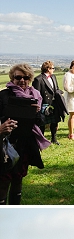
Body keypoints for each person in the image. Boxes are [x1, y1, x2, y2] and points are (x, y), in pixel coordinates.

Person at [0, 63, 50, 204]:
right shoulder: (3, 96)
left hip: (24, 144)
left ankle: (15, 209)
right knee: (3, 183)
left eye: (26, 77)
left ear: (30, 78)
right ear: (12, 78)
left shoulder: (35, 96)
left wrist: (35, 113)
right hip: (5, 145)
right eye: (18, 77)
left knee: (18, 180)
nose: (22, 80)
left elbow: (41, 120)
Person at [32, 61, 64, 144]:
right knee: (42, 123)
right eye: (52, 68)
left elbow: (56, 88)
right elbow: (36, 94)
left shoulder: (53, 77)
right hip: (44, 103)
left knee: (55, 121)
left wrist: (60, 92)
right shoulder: (38, 79)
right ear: (48, 69)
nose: (53, 70)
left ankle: (54, 139)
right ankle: (42, 140)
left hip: (54, 102)